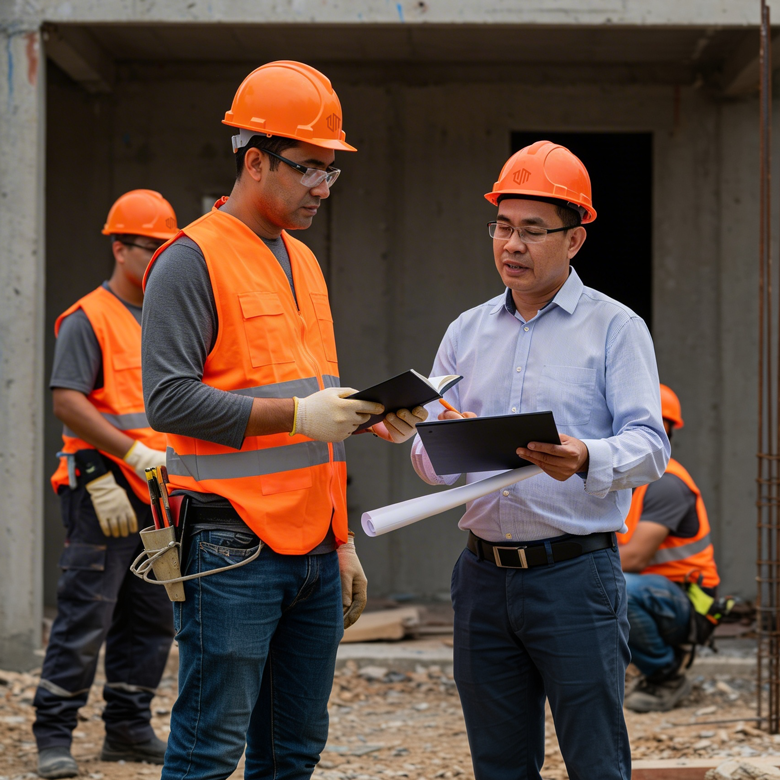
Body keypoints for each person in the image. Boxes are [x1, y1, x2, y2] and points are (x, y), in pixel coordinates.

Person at [141, 60, 427, 780]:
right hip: (230, 547)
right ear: (255, 160)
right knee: (208, 751)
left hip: (313, 552)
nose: (323, 187)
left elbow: (310, 404)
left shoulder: (302, 260)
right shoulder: (189, 259)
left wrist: (343, 531)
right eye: (309, 168)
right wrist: (300, 415)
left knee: (293, 753)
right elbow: (168, 400)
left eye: (332, 170)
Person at [410, 141, 669, 780]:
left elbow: (650, 445)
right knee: (499, 764)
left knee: (595, 761)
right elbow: (429, 457)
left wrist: (585, 456)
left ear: (574, 240)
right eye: (502, 227)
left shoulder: (616, 328)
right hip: (482, 579)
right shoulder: (466, 331)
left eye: (532, 230)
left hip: (575, 578)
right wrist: (433, 438)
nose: (512, 245)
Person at [34, 190, 178, 779]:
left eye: (167, 249)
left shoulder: (167, 319)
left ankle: (128, 728)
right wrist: (127, 455)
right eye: (150, 248)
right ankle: (53, 735)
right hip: (102, 487)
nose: (160, 260)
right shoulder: (87, 317)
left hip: (157, 493)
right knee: (85, 614)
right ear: (120, 249)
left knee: (151, 616)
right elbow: (68, 401)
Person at [619, 383, 720, 713]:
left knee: (615, 587)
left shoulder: (665, 484)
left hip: (687, 603)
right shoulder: (627, 481)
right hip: (658, 594)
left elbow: (634, 559)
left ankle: (666, 675)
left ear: (661, 428)